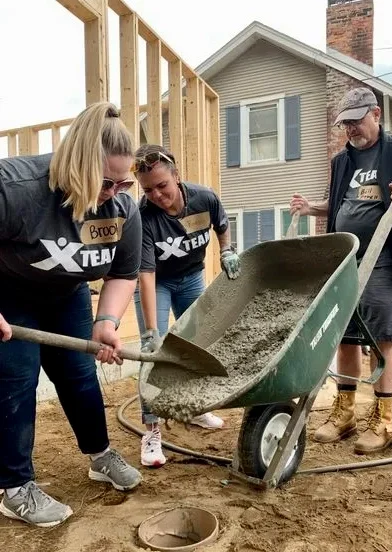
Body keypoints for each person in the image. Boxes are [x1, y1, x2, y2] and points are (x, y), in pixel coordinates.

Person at [0, 102, 144, 527]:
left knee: (80, 375)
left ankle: (100, 455)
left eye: (124, 182)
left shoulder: (122, 209)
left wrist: (107, 321)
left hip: (67, 294)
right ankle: (14, 488)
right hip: (9, 292)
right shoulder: (15, 189)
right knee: (17, 379)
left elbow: (123, 272)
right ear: (75, 163)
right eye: (105, 181)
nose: (114, 192)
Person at [290, 87, 392, 455]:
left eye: (356, 121)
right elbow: (338, 205)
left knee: (381, 337)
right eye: (345, 124)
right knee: (344, 335)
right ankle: (344, 413)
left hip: (385, 259)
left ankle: (383, 418)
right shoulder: (342, 161)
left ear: (376, 114)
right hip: (345, 260)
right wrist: (311, 209)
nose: (351, 129)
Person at [133, 144, 241, 468]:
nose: (157, 195)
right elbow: (146, 276)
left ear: (176, 176)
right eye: (148, 189)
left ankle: (195, 408)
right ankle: (152, 431)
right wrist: (152, 330)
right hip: (160, 283)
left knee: (198, 343)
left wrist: (227, 251)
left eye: (162, 185)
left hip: (192, 277)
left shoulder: (203, 198)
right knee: (153, 355)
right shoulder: (144, 217)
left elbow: (222, 225)